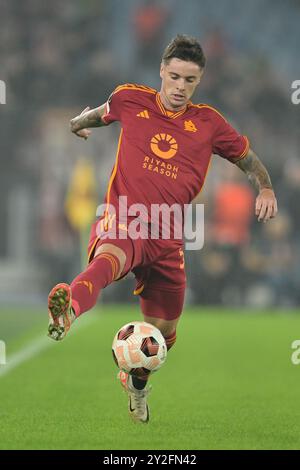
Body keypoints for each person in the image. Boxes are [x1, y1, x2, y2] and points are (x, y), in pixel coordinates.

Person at [47, 35, 278, 423]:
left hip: (170, 235)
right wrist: (76, 124)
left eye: (189, 80)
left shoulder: (210, 124)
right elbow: (99, 113)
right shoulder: (130, 98)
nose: (179, 87)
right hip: (125, 218)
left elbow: (247, 159)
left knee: (163, 338)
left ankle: (137, 387)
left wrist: (266, 187)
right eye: (174, 77)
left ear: (199, 81)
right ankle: (69, 306)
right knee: (109, 259)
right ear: (161, 71)